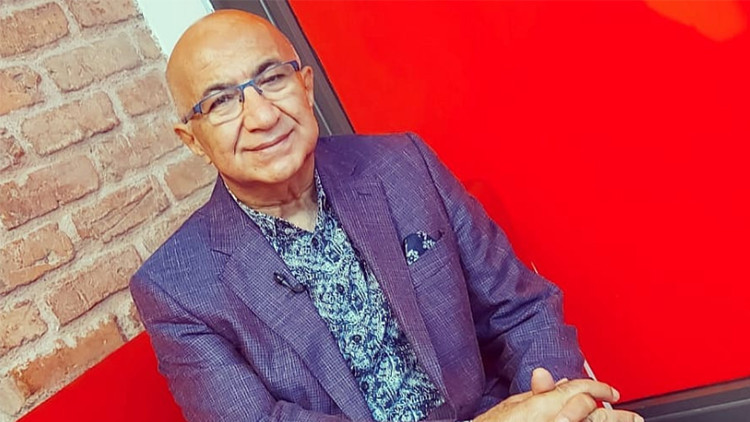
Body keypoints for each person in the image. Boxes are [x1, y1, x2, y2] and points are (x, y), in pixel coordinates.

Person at [130, 9, 642, 422]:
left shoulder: (403, 165)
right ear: (192, 140)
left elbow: (521, 308)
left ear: (306, 86)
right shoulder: (177, 288)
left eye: (273, 78)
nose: (262, 116)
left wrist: (557, 404)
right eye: (221, 101)